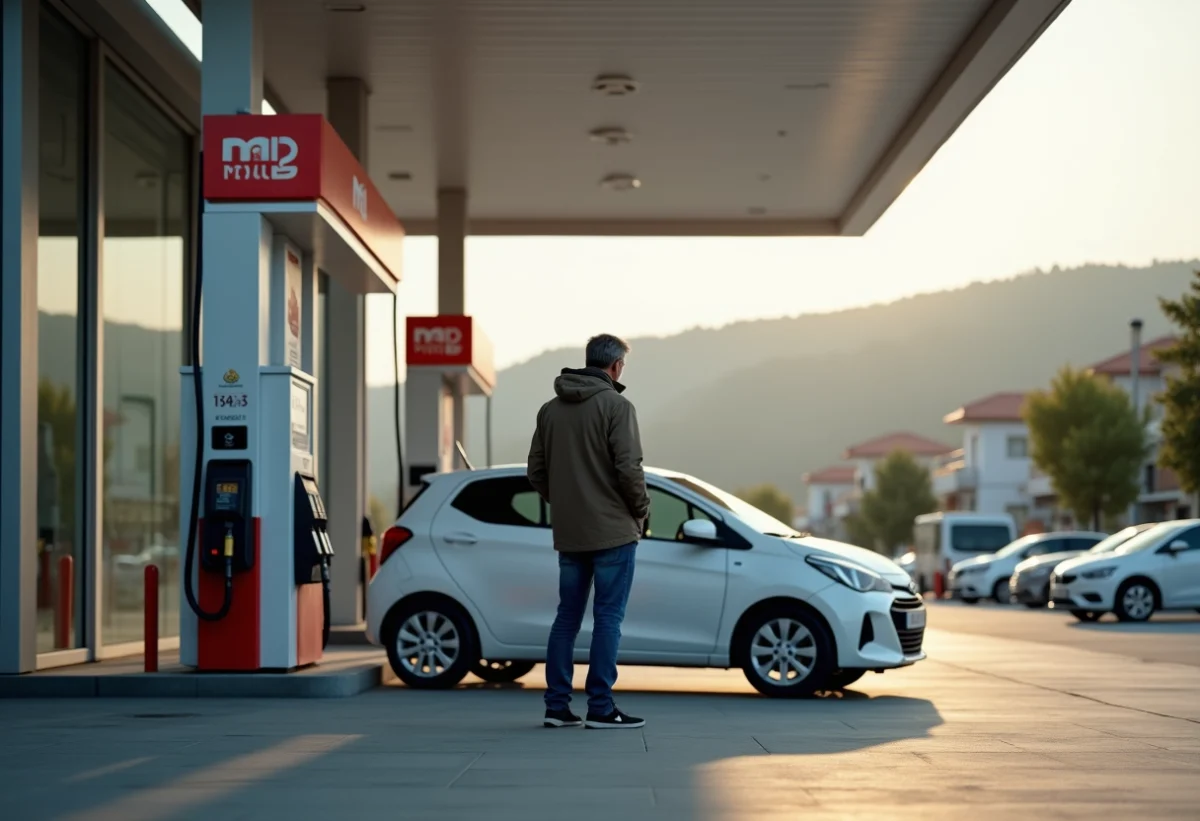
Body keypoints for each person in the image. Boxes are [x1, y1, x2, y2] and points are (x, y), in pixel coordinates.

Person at [527, 333, 651, 729]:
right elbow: (629, 468)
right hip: (614, 531)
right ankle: (601, 707)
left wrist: (566, 502)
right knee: (608, 618)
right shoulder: (617, 406)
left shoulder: (549, 410)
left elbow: (536, 471)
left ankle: (556, 707)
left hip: (570, 532)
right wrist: (642, 511)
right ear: (615, 367)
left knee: (566, 617)